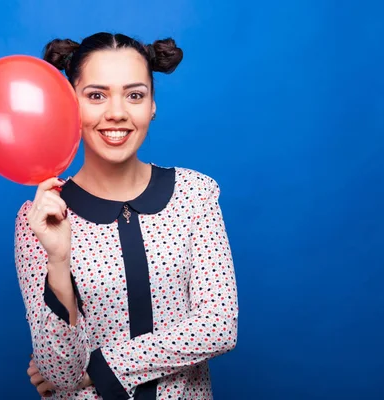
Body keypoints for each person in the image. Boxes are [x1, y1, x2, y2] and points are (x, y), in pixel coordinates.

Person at [14, 32, 238, 400]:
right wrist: (58, 259)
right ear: (70, 104)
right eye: (96, 95)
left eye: (134, 95)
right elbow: (60, 374)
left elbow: (218, 326)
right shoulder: (40, 217)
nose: (116, 112)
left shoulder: (195, 195)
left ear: (152, 104)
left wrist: (101, 368)